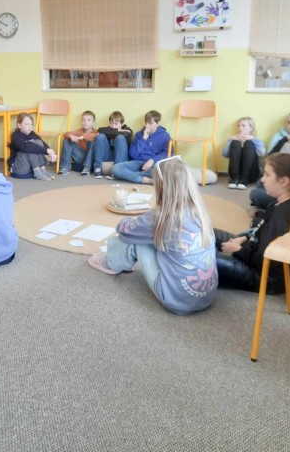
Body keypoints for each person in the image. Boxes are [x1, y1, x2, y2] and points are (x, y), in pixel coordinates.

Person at [88, 157, 218, 315]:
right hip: (207, 296)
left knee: (136, 238)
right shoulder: (200, 211)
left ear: (161, 187)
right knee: (152, 235)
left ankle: (110, 262)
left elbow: (125, 230)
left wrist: (128, 221)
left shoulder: (159, 217)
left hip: (176, 300)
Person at [215, 153, 290, 294]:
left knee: (202, 259)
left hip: (265, 277)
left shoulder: (282, 216)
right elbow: (260, 230)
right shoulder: (279, 203)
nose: (262, 179)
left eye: (267, 175)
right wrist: (244, 238)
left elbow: (267, 262)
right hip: (253, 250)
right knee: (209, 233)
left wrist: (238, 250)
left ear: (284, 181)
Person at [250, 120, 290, 211]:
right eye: (289, 140)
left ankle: (267, 206)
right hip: (284, 188)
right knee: (260, 182)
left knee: (255, 194)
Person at [112, 110, 170, 185]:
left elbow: (167, 153)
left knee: (163, 170)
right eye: (146, 122)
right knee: (116, 168)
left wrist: (153, 160)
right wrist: (143, 140)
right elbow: (133, 155)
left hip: (153, 164)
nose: (147, 125)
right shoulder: (139, 135)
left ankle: (131, 176)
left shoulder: (165, 135)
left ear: (158, 123)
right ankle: (146, 180)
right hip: (137, 162)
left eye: (150, 123)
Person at [8, 112, 57, 181]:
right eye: (26, 124)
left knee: (38, 142)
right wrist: (46, 150)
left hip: (28, 166)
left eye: (31, 124)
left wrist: (50, 153)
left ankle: (42, 169)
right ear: (19, 125)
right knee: (30, 145)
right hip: (18, 168)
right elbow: (26, 147)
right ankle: (37, 172)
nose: (30, 127)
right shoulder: (16, 135)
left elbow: (43, 143)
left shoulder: (32, 133)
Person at [223, 117, 265, 190]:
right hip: (234, 173)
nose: (240, 128)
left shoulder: (256, 140)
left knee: (248, 143)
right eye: (238, 126)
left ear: (251, 128)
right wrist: (230, 140)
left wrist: (253, 139)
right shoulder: (234, 140)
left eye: (243, 125)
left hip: (251, 174)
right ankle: (235, 179)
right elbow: (225, 154)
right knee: (235, 143)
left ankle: (244, 179)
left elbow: (262, 154)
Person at [92, 111, 133, 179]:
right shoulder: (107, 129)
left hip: (121, 159)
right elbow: (100, 130)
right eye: (111, 123)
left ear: (122, 123)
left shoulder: (127, 130)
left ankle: (116, 172)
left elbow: (128, 133)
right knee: (100, 136)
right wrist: (118, 131)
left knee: (120, 137)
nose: (113, 126)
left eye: (116, 124)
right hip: (109, 158)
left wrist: (115, 132)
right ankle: (97, 168)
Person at [58, 110, 98, 176]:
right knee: (67, 139)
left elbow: (95, 136)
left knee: (93, 141)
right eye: (83, 120)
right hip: (80, 156)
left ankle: (87, 168)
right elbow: (65, 133)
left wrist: (83, 136)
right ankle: (64, 167)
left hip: (90, 159)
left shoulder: (96, 132)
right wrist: (70, 136)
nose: (85, 122)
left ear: (93, 122)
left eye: (88, 120)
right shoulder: (79, 131)